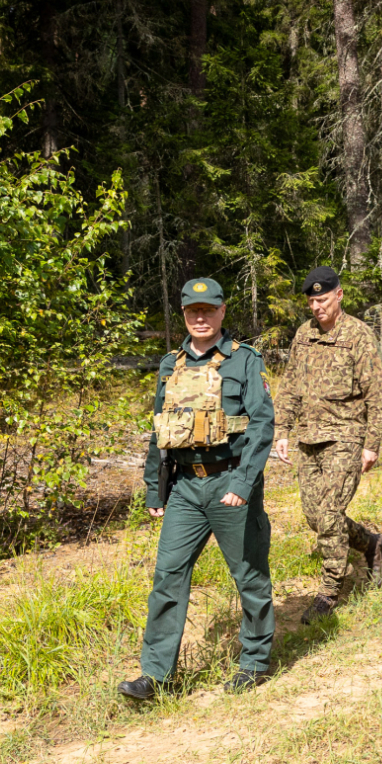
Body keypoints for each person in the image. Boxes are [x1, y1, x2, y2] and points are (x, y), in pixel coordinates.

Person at [121, 277, 277, 699]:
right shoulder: (170, 365)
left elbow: (262, 425)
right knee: (167, 578)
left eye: (209, 310)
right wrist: (156, 490)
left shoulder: (244, 361)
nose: (201, 317)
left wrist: (244, 483)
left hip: (231, 482)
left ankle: (255, 662)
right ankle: (155, 676)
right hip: (187, 489)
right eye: (193, 311)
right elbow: (158, 429)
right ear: (185, 315)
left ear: (223, 311)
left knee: (249, 576)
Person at [272, 266, 382, 624]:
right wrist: (282, 429)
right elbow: (290, 385)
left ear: (339, 295)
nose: (317, 307)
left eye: (323, 300)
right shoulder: (303, 335)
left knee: (328, 514)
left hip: (347, 435)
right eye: (312, 301)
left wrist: (372, 443)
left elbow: (377, 392)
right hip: (308, 438)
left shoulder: (358, 335)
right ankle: (371, 544)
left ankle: (329, 592)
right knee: (316, 517)